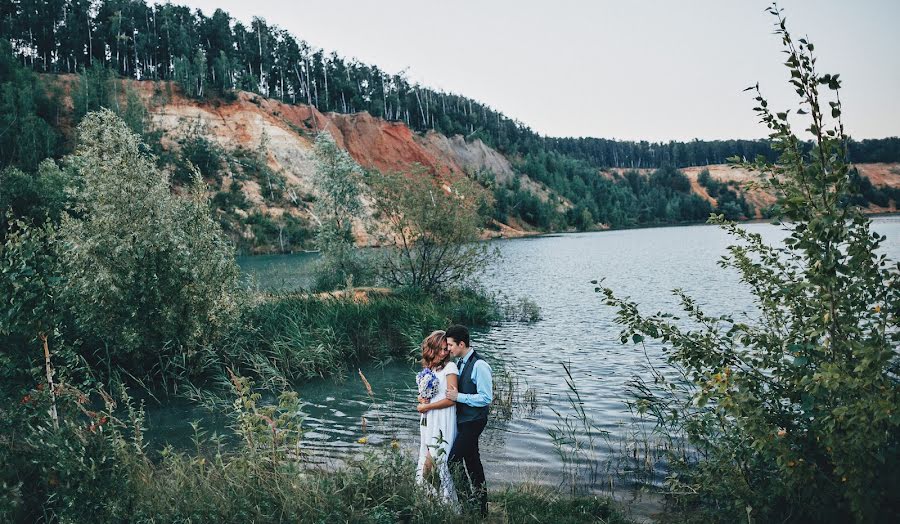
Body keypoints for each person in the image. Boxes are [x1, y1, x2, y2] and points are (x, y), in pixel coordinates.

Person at [445, 324, 492, 516]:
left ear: (461, 344)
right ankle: (481, 507)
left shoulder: (480, 365)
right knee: (472, 461)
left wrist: (460, 398)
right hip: (464, 420)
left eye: (450, 345)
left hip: (474, 421)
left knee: (453, 460)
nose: (448, 349)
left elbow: (486, 397)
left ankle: (466, 502)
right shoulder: (459, 363)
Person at [415, 330, 458, 504]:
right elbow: (424, 394)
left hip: (443, 419)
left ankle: (443, 500)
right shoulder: (429, 369)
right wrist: (422, 399)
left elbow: (451, 400)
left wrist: (427, 406)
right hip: (428, 419)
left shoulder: (450, 368)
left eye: (446, 349)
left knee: (435, 460)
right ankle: (432, 500)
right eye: (440, 349)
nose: (444, 352)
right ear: (431, 349)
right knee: (426, 454)